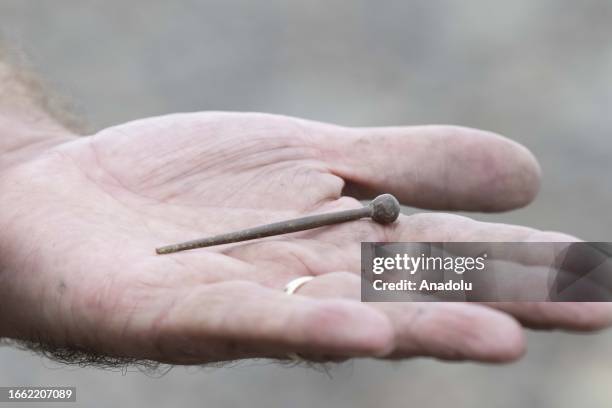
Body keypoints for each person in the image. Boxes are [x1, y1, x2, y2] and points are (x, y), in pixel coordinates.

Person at [0, 49, 610, 367]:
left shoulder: (371, 211)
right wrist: (19, 168)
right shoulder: (370, 210)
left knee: (566, 277)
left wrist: (19, 158)